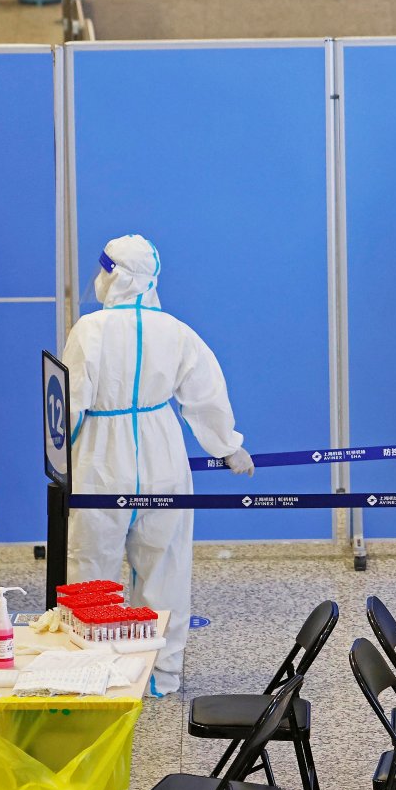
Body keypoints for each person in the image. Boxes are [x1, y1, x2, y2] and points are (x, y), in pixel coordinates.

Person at [63, 234, 254, 696]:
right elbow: (205, 393)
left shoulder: (89, 329)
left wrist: (59, 458)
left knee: (93, 565)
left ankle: (97, 669)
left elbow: (68, 403)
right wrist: (227, 445)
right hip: (162, 451)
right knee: (164, 567)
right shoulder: (176, 331)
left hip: (100, 458)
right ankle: (160, 675)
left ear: (111, 274)